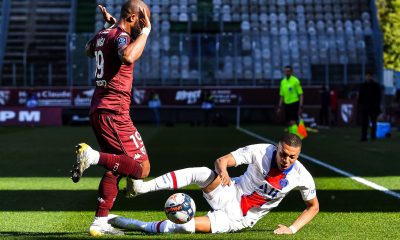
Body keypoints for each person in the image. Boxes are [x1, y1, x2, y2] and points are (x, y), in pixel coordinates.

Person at [111, 133, 319, 235]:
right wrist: (224, 170)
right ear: (277, 148)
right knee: (202, 173)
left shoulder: (302, 176)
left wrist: (292, 229)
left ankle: (135, 224)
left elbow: (313, 206)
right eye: (284, 154)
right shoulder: (261, 151)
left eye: (293, 157)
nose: (287, 160)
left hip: (238, 218)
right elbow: (222, 160)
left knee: (184, 228)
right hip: (230, 190)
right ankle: (141, 187)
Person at [70, 1, 152, 236]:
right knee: (141, 168)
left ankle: (99, 223)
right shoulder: (124, 38)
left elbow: (88, 49)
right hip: (115, 113)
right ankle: (91, 156)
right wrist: (145, 33)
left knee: (114, 168)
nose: (146, 24)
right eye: (145, 19)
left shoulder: (106, 33)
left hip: (98, 109)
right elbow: (127, 56)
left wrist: (110, 27)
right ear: (135, 18)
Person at [358, 72, 382, 141]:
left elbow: (378, 97)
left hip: (373, 107)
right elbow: (360, 96)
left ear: (371, 77)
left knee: (373, 122)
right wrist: (361, 105)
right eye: (367, 76)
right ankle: (364, 136)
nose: (368, 77)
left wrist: (377, 106)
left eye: (369, 76)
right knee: (364, 123)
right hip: (365, 106)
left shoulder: (375, 86)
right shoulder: (363, 86)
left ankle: (373, 136)